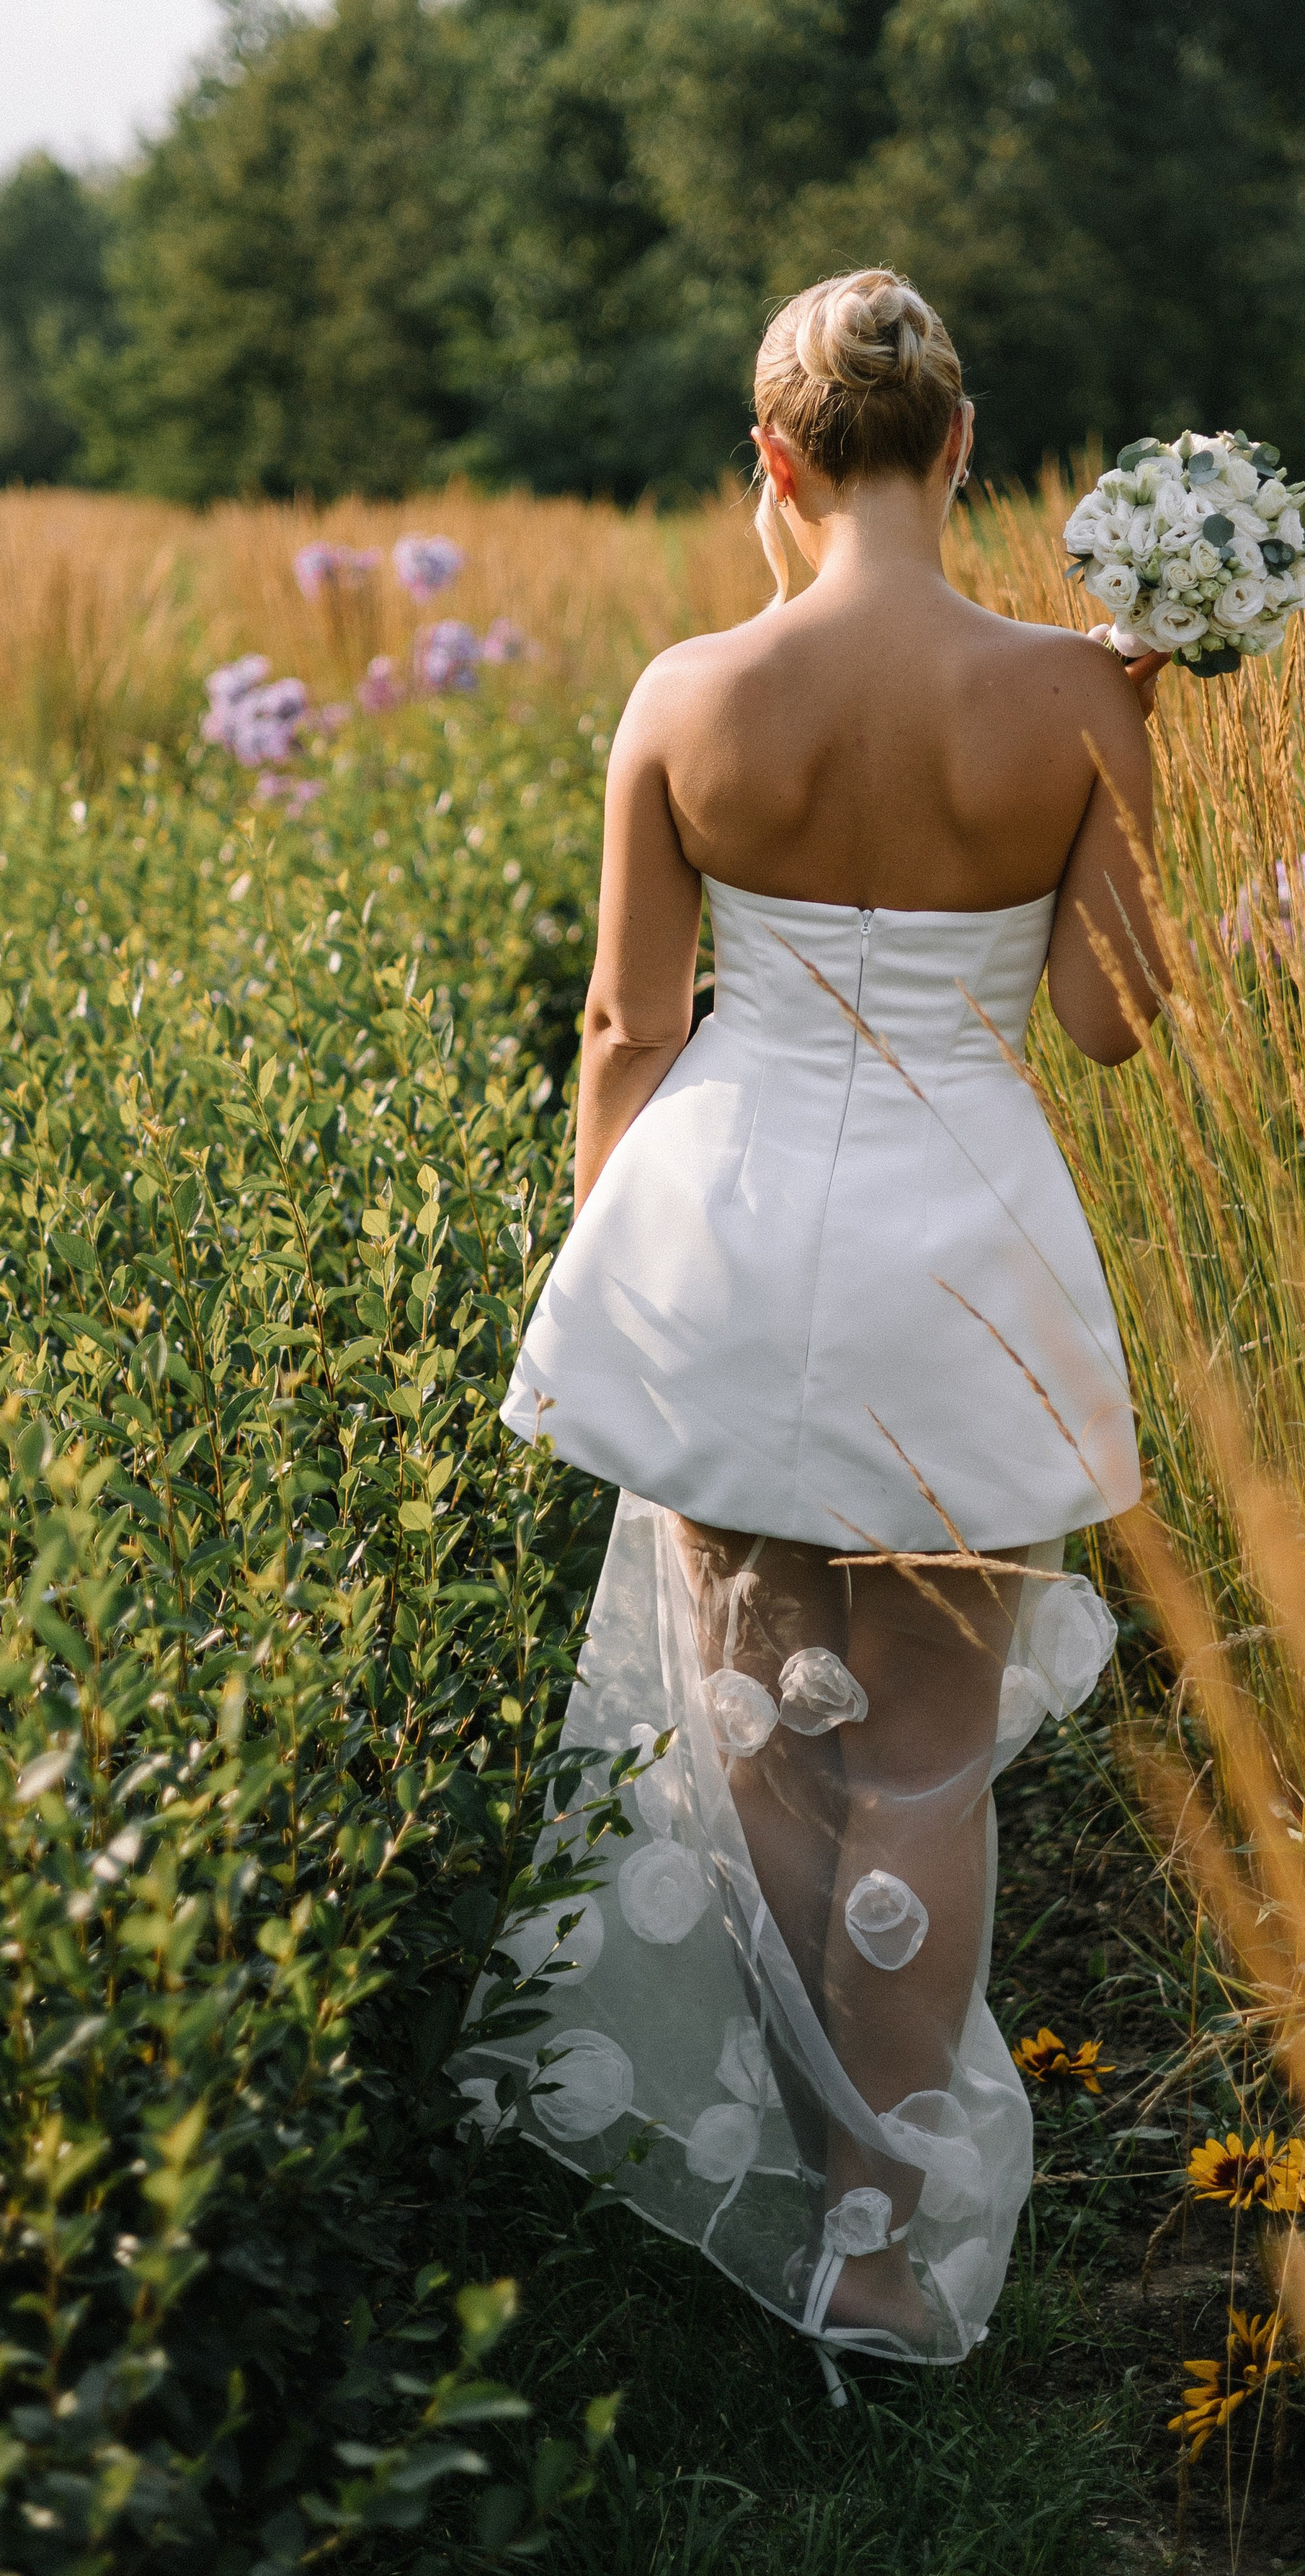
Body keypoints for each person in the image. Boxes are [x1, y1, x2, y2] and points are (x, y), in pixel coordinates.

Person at [455, 267, 1168, 2397]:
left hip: (731, 1241)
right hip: (966, 1264)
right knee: (926, 1768)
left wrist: (625, 1264)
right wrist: (1137, 750)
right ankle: (877, 2252)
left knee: (757, 1723)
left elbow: (626, 1026)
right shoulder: (1080, 695)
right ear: (965, 451)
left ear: (772, 461)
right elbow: (1115, 1030)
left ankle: (776, 2172)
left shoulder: (686, 692)